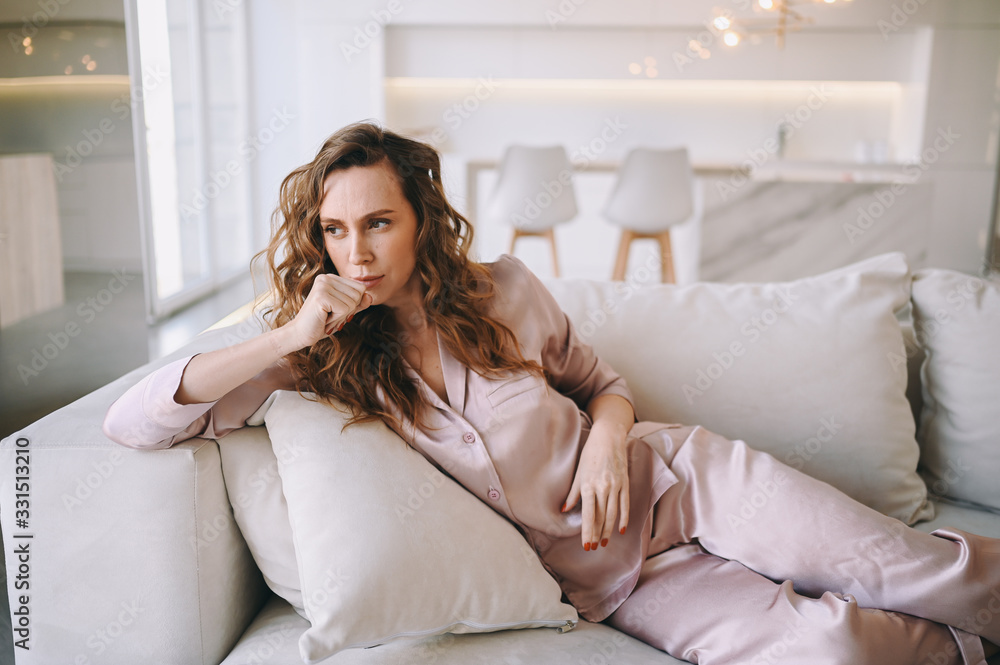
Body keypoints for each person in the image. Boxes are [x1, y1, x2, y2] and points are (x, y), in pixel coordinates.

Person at [104, 122, 1000, 665]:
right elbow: (134, 421)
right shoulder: (321, 357)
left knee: (907, 567)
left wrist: (609, 443)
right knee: (834, 649)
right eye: (336, 231)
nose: (358, 252)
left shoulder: (503, 289)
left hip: (681, 481)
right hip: (616, 579)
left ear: (421, 221)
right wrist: (286, 335)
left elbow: (601, 385)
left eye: (378, 222)